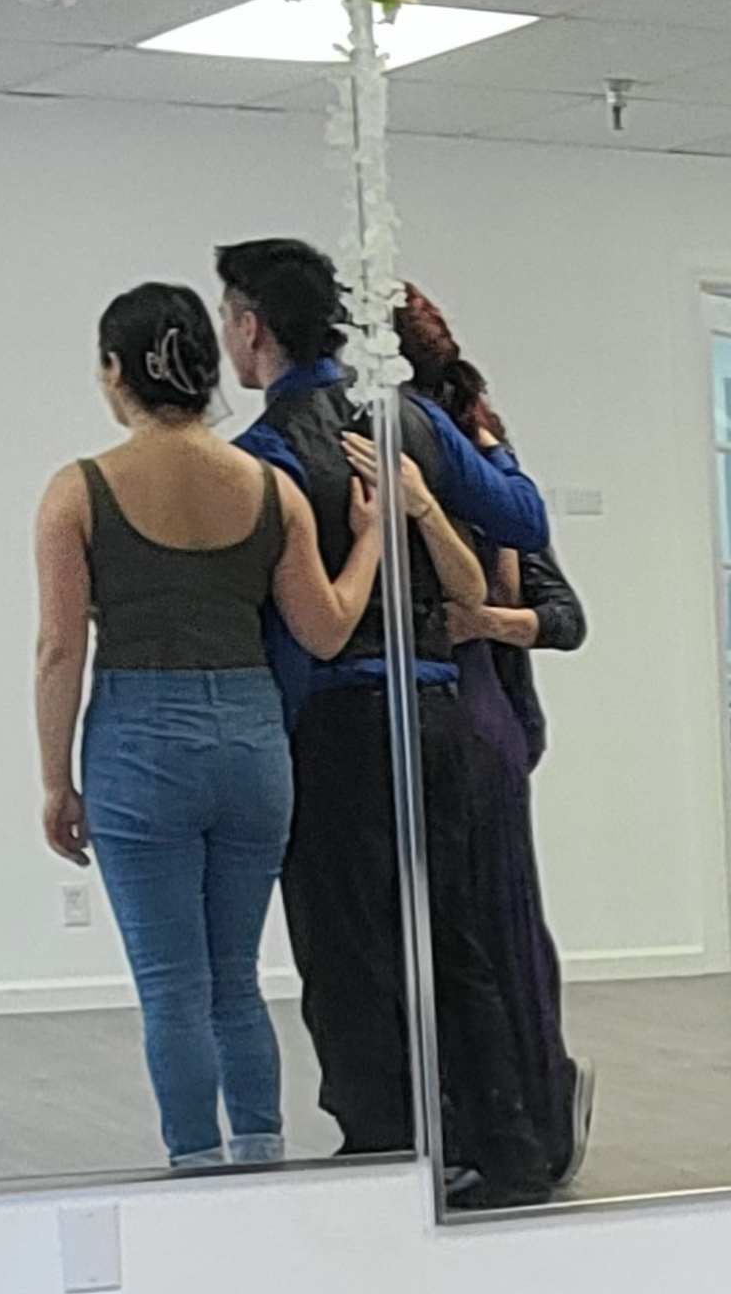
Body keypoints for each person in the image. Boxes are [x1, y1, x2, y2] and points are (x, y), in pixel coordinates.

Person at [213, 238, 576, 1205]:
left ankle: (384, 1151)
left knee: (349, 952)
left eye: (228, 316)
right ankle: (499, 1146)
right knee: (458, 940)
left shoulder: (264, 457)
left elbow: (285, 627)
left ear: (251, 327)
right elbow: (523, 517)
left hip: (339, 731)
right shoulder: (407, 419)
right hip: (441, 714)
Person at [33, 277, 387, 1170]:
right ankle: (261, 1162)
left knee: (171, 989)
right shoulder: (273, 491)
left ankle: (195, 1169)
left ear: (116, 371)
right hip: (252, 744)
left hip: (138, 746)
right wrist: (378, 538)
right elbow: (328, 627)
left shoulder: (77, 494)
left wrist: (54, 781)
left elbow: (58, 652)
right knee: (236, 982)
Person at [396, 285, 588, 1173]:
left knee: (487, 935)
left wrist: (480, 624)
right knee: (493, 932)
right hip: (482, 722)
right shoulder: (476, 454)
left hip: (481, 721)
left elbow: (559, 615)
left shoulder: (472, 460)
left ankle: (518, 1129)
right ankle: (513, 1125)